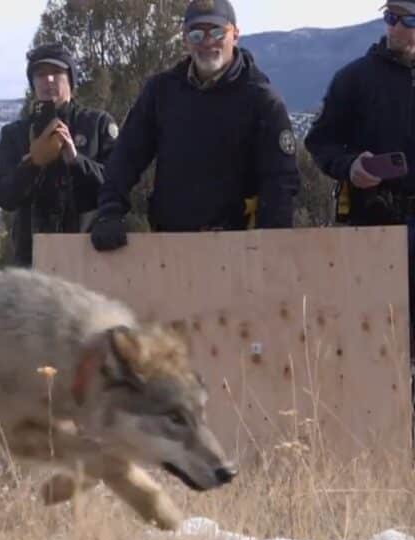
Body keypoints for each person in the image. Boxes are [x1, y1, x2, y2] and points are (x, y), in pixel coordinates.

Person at [90, 0, 299, 252]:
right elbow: (125, 157)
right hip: (170, 246)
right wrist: (109, 211)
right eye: (197, 33)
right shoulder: (160, 92)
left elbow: (280, 182)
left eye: (217, 32)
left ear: (235, 35)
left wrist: (270, 247)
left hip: (240, 249)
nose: (207, 41)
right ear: (185, 39)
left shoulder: (263, 100)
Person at [305, 0, 415, 351]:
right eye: (390, 18)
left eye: (407, 19)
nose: (395, 27)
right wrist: (349, 166)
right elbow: (320, 141)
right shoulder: (354, 79)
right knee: (378, 343)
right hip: (377, 225)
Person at [0, 42, 120, 266]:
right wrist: (32, 164)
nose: (48, 80)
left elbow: (118, 184)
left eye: (56, 72)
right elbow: (1, 194)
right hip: (31, 261)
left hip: (90, 259)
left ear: (70, 79)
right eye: (40, 74)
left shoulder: (97, 124)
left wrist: (76, 161)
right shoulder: (14, 134)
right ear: (32, 84)